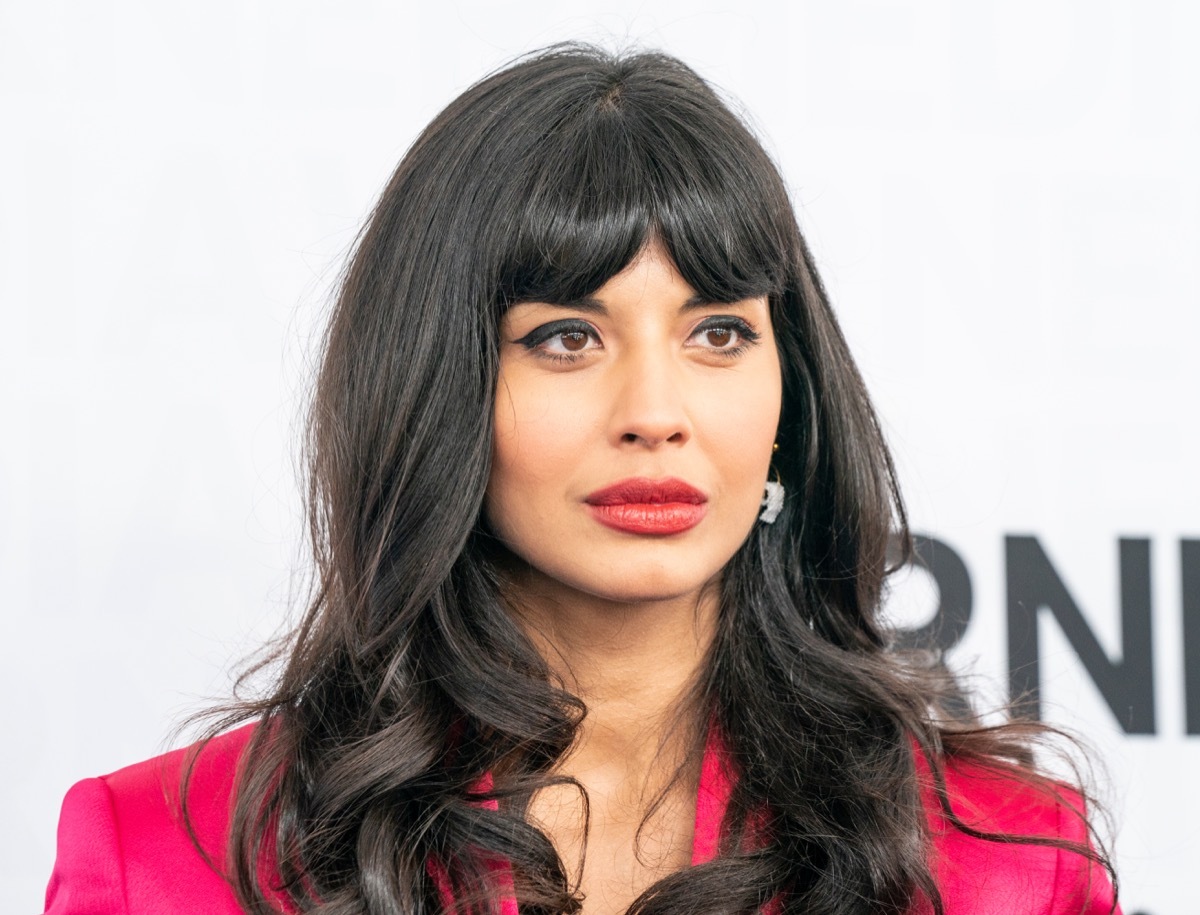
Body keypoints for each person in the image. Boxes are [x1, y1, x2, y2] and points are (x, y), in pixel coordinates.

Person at [42, 44, 1120, 915]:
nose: (656, 413)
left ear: (791, 398)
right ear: (439, 390)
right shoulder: (162, 860)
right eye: (565, 338)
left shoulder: (1012, 864)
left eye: (717, 334)